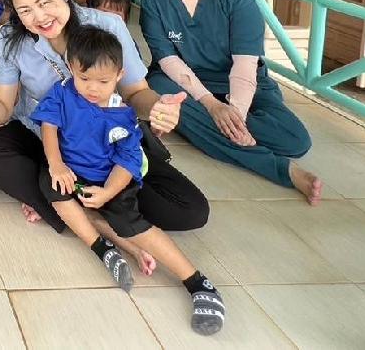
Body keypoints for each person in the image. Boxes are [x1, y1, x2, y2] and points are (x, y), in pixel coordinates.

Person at [0, 0, 210, 235]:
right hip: (44, 135)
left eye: (44, 3)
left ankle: (63, 202)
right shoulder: (10, 38)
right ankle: (84, 215)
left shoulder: (107, 26)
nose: (39, 17)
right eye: (25, 10)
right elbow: (2, 110)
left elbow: (135, 93)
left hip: (104, 141)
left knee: (190, 210)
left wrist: (157, 106)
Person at [32, 26, 226, 335]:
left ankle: (197, 282)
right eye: (84, 78)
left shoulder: (123, 116)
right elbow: (49, 126)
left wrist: (108, 192)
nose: (92, 88)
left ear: (119, 75)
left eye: (103, 82)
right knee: (50, 185)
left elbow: (127, 162)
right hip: (72, 172)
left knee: (129, 224)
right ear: (71, 67)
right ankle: (101, 248)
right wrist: (56, 165)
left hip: (111, 180)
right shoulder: (63, 92)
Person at [141, 0, 321, 204]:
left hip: (241, 81)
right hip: (183, 82)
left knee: (295, 141)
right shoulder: (154, 2)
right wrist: (213, 106)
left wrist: (236, 113)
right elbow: (168, 60)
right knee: (160, 89)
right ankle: (282, 170)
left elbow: (245, 64)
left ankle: (200, 125)